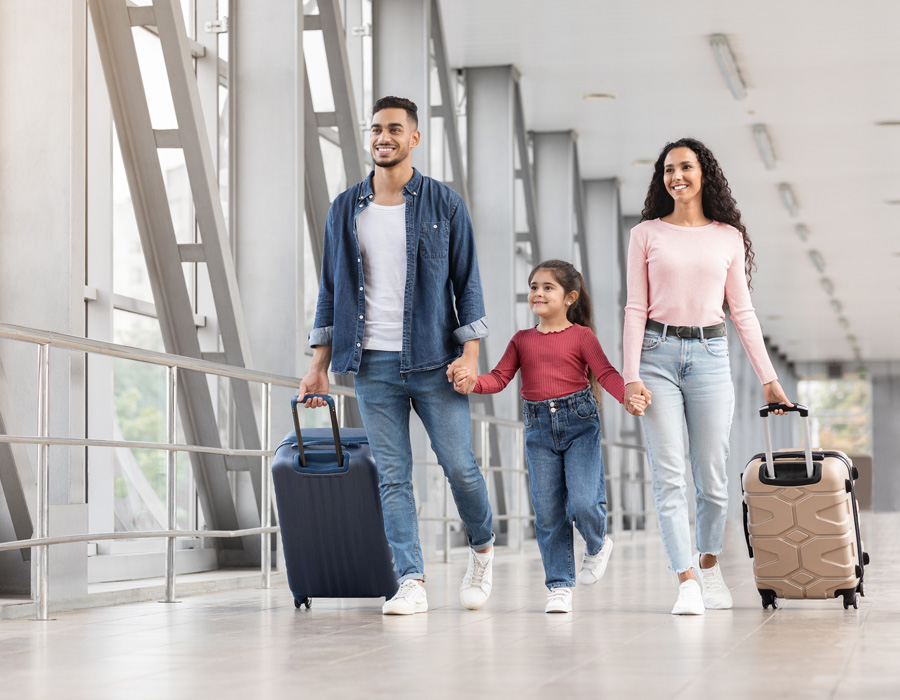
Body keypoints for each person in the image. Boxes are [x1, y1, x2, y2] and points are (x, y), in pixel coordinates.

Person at [299, 96, 494, 616]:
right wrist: (318, 364)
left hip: (436, 360)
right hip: (372, 365)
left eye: (394, 129)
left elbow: (466, 282)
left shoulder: (443, 204)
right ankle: (411, 580)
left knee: (461, 467)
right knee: (392, 475)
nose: (383, 137)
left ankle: (482, 548)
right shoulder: (345, 208)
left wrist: (471, 355)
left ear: (414, 139)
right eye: (376, 129)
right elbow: (330, 289)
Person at [623, 137, 791, 615]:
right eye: (668, 169)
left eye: (686, 167)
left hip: (711, 356)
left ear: (704, 174)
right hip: (656, 356)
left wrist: (769, 378)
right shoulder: (646, 234)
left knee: (714, 480)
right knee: (670, 476)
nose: (676, 176)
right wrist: (630, 375)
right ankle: (686, 581)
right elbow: (635, 308)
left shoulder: (727, 237)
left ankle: (710, 564)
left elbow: (743, 313)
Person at [454, 260, 646, 613]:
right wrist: (472, 383)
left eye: (547, 287)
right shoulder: (521, 340)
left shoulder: (582, 337)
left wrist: (628, 398)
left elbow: (605, 373)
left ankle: (597, 543)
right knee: (547, 512)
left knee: (586, 501)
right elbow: (498, 378)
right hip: (538, 429)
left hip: (580, 423)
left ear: (570, 297)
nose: (537, 293)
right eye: (533, 286)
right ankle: (559, 586)